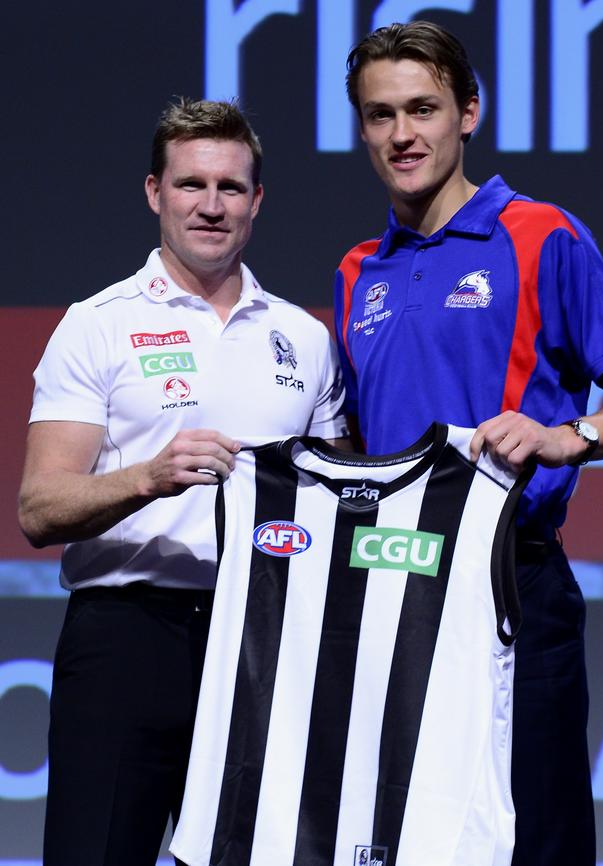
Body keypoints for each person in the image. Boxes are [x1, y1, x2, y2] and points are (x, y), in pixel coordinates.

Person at [334, 21, 603, 866]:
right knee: (394, 841)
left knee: (535, 840)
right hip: (391, 585)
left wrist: (570, 433)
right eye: (380, 115)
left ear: (468, 112)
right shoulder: (355, 271)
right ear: (361, 129)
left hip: (513, 579)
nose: (402, 134)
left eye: (424, 108)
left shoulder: (542, 234)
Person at [18, 97, 348, 866]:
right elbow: (39, 507)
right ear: (154, 193)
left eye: (230, 188)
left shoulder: (303, 337)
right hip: (128, 638)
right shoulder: (98, 323)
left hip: (264, 640)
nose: (210, 205)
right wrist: (148, 477)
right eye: (191, 185)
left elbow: (338, 501)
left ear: (257, 201)